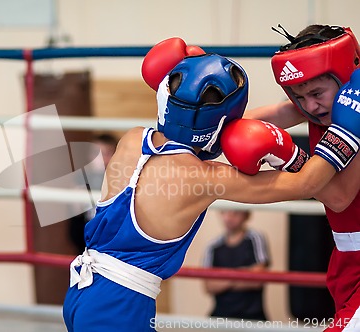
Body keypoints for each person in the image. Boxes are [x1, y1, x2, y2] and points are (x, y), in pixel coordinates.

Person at [62, 37, 360, 332]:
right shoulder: (205, 178)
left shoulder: (132, 140)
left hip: (80, 292)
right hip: (120, 304)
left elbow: (211, 128)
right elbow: (307, 184)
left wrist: (306, 104)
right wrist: (347, 128)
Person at [244, 24, 360, 331]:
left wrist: (290, 157)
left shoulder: (356, 113)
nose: (309, 106)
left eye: (316, 93)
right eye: (299, 96)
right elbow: (262, 118)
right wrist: (198, 123)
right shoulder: (319, 107)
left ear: (345, 76)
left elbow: (339, 197)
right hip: (346, 261)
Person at [203, 210, 270, 321]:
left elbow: (258, 280)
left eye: (236, 213)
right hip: (221, 316)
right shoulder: (213, 246)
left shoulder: (255, 238)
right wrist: (243, 274)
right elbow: (209, 286)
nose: (229, 218)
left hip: (252, 317)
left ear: (246, 215)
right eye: (226, 212)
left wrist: (223, 278)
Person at [68, 133, 118, 253]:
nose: (99, 159)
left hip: (113, 250)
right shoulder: (81, 180)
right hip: (86, 247)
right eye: (95, 153)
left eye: (106, 153)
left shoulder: (123, 183)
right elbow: (74, 233)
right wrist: (76, 210)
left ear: (116, 156)